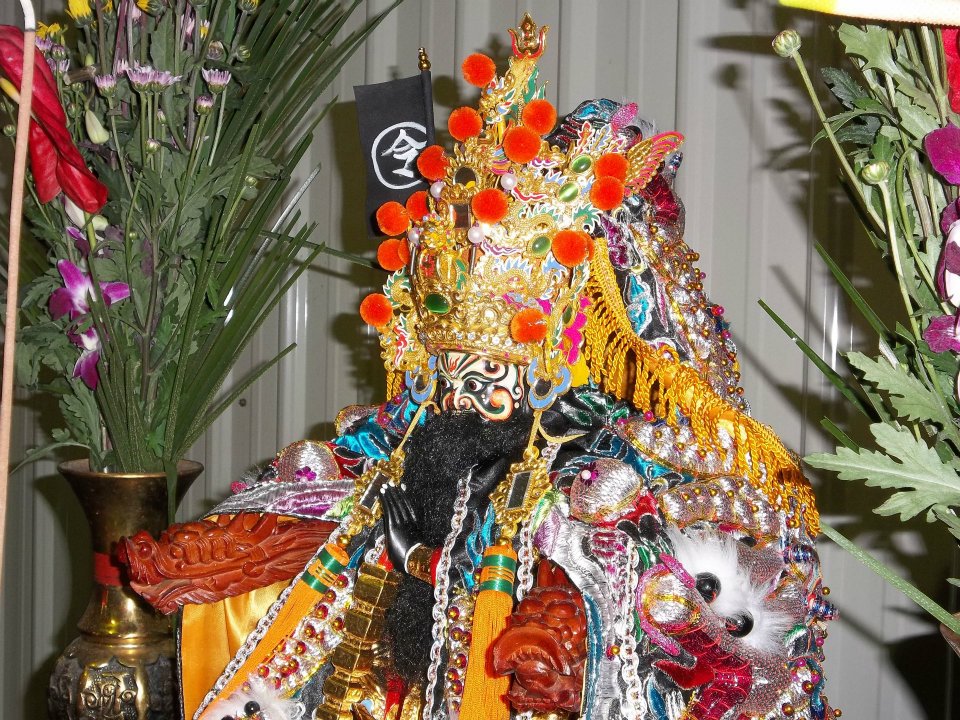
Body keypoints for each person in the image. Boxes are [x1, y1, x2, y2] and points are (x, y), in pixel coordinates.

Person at [122, 15, 835, 720]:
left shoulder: (596, 478)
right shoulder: (394, 443)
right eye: (449, 378)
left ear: (542, 372)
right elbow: (305, 526)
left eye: (488, 382)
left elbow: (600, 622)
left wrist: (425, 563)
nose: (462, 401)